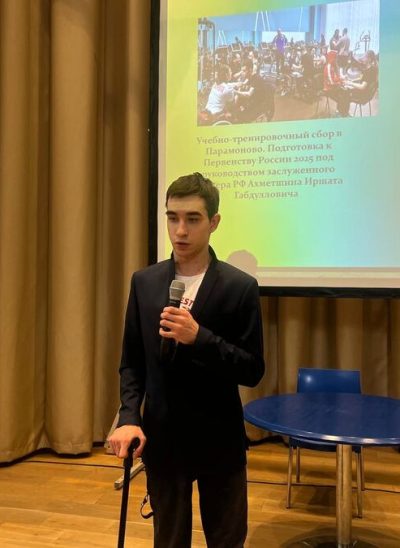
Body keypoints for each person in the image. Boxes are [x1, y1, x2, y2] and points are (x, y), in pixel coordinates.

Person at [108, 173, 265, 548]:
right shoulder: (144, 282)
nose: (180, 230)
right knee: (169, 540)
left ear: (214, 222)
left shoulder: (239, 287)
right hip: (163, 440)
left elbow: (252, 369)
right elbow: (132, 363)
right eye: (172, 217)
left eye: (193, 219)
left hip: (219, 440)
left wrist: (200, 338)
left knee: (226, 540)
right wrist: (129, 417)